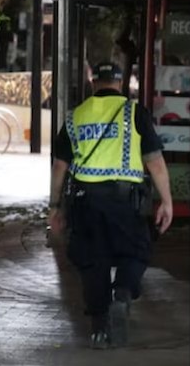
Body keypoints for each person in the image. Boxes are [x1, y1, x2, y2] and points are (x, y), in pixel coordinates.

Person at [48, 60, 174, 349]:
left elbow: (59, 166)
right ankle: (123, 292)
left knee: (92, 261)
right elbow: (154, 161)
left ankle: (99, 329)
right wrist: (166, 201)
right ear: (120, 83)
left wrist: (55, 207)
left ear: (94, 83)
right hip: (124, 202)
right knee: (137, 251)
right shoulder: (134, 112)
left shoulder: (75, 116)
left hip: (85, 202)